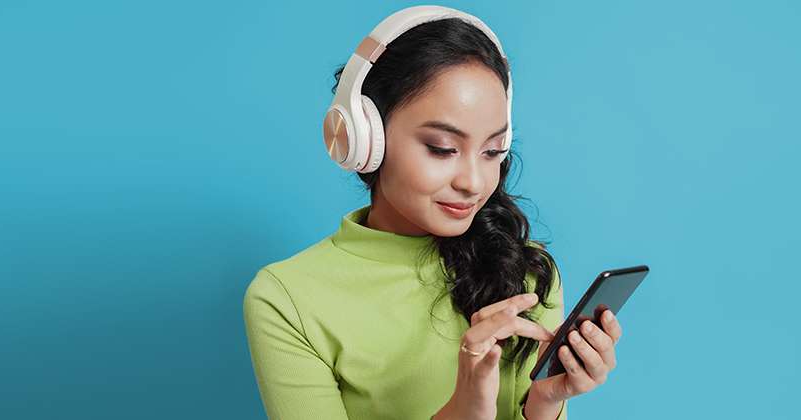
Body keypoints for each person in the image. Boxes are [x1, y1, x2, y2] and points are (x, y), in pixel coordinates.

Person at [243, 6, 624, 420]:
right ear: (364, 137)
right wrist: (464, 410)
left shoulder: (526, 269)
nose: (474, 183)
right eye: (442, 148)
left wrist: (546, 402)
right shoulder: (286, 299)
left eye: (493, 151)